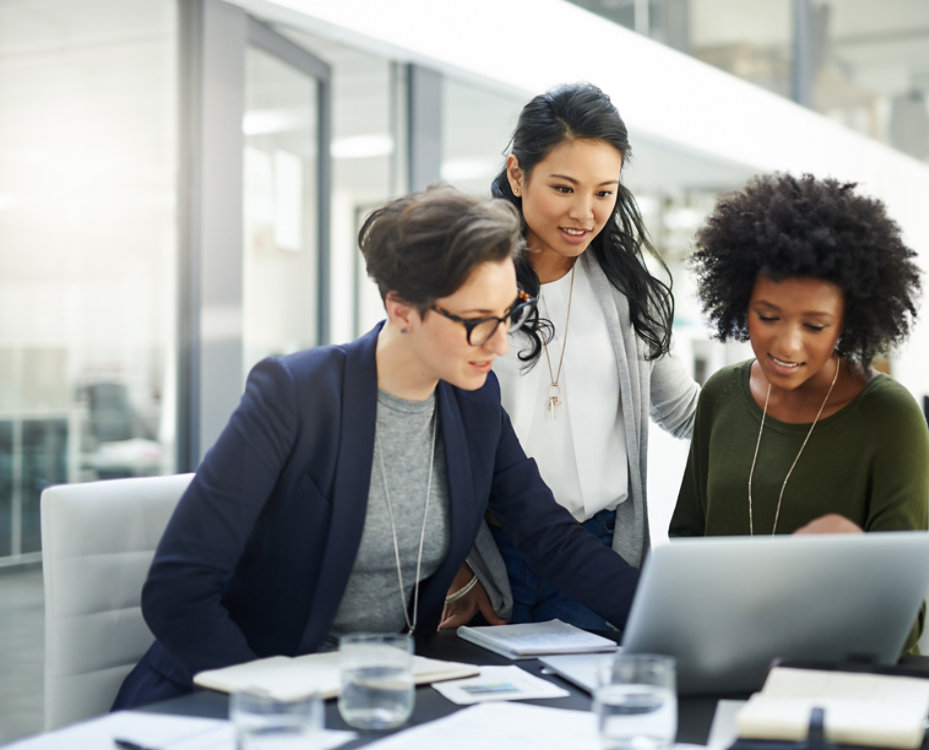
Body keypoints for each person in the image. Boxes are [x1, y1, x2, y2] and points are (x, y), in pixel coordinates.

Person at [111, 185, 640, 709]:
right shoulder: (295, 395)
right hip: (241, 700)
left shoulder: (472, 405)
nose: (500, 345)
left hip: (378, 695)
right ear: (403, 309)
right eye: (479, 323)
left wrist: (663, 611)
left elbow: (549, 538)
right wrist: (276, 706)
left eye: (510, 316)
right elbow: (178, 591)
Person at [439, 83, 699, 630]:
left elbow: (684, 411)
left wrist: (793, 391)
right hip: (490, 556)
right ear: (517, 175)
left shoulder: (628, 290)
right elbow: (428, 432)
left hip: (599, 552)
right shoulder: (466, 283)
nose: (585, 213)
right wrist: (460, 567)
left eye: (604, 192)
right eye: (564, 187)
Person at [668, 172, 929, 650]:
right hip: (724, 656)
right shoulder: (721, 395)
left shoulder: (889, 418)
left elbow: (904, 618)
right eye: (767, 317)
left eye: (815, 325)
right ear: (739, 301)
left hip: (840, 671)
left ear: (849, 322)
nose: (786, 344)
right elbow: (686, 545)